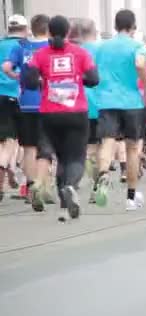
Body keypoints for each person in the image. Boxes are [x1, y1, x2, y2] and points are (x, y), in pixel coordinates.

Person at [24, 15, 99, 221]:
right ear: (68, 33)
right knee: (75, 157)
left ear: (49, 32)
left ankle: (65, 204)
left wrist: (45, 80)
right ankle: (70, 187)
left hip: (50, 113)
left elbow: (29, 81)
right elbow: (94, 79)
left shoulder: (40, 55)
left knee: (59, 157)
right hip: (76, 112)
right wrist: (75, 78)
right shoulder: (80, 53)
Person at [94, 9, 146, 210]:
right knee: (132, 148)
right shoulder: (137, 45)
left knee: (107, 142)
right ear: (133, 27)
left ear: (115, 26)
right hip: (131, 101)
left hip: (106, 100)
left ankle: (103, 175)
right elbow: (140, 63)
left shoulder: (102, 47)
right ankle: (131, 197)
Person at [2, 14, 52, 203]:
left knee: (29, 148)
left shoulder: (21, 47)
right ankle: (43, 186)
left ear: (32, 28)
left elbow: (6, 67)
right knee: (46, 148)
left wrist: (17, 77)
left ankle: (31, 189)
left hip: (26, 103)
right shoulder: (51, 48)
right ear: (48, 29)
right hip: (48, 103)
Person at [67, 17, 100, 204]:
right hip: (96, 105)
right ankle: (95, 184)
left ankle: (72, 180)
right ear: (92, 32)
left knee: (74, 148)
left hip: (71, 105)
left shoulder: (69, 51)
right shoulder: (100, 50)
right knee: (94, 148)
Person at [0, 15, 28, 202]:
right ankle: (6, 168)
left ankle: (8, 167)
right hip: (16, 97)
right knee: (16, 141)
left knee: (4, 140)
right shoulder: (23, 47)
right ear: (25, 29)